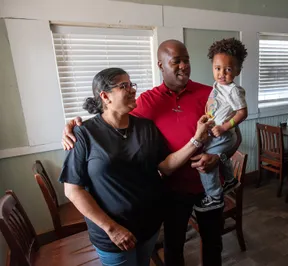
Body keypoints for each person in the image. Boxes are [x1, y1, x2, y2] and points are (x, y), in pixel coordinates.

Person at [62, 40, 241, 266]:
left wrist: (218, 157)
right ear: (161, 64)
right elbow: (109, 116)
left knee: (213, 244)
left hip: (209, 188)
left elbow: (235, 136)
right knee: (174, 247)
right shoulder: (146, 102)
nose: (184, 66)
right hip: (172, 191)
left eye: (187, 60)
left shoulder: (212, 93)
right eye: (176, 61)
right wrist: (74, 126)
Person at [194, 38, 248, 212]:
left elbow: (242, 112)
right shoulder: (218, 85)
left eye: (228, 69)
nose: (221, 73)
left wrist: (224, 127)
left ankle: (215, 197)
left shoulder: (232, 90)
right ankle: (230, 180)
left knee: (206, 160)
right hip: (217, 131)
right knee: (216, 155)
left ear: (237, 71)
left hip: (223, 134)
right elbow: (215, 106)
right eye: (217, 68)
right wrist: (207, 117)